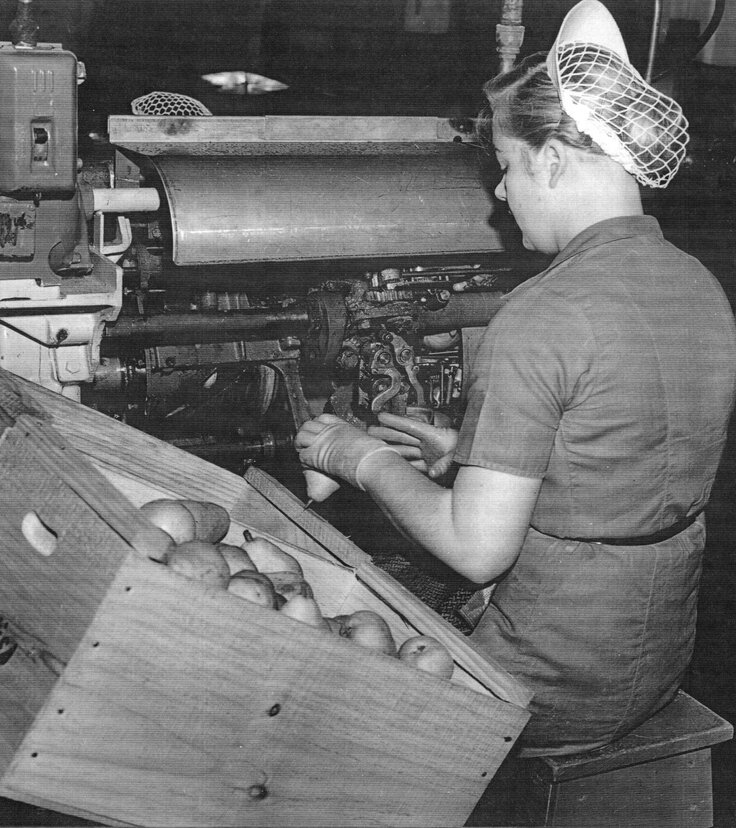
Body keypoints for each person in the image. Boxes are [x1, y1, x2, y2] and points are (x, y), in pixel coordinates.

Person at [295, 0, 736, 756]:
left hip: (547, 684)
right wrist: (467, 457)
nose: (501, 194)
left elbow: (476, 553)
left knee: (310, 677)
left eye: (505, 168)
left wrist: (356, 457)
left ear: (553, 160)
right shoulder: (697, 282)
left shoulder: (540, 314)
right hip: (654, 657)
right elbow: (623, 464)